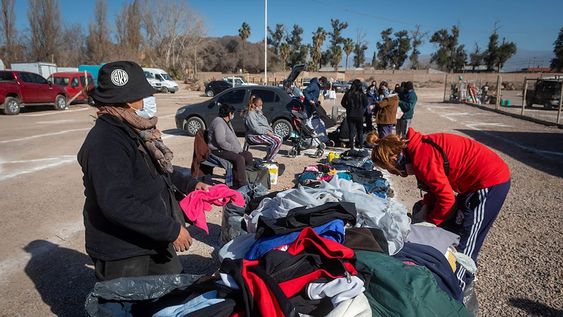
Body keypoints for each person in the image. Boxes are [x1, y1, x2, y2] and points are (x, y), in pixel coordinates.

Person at [78, 61, 209, 281]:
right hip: (123, 249)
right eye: (142, 93)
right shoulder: (107, 141)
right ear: (128, 100)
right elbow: (117, 203)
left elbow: (157, 171)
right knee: (127, 307)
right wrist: (171, 231)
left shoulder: (132, 128)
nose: (148, 98)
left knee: (174, 292)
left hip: (150, 238)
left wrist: (191, 184)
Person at [370, 128, 511, 290]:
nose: (396, 174)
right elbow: (436, 188)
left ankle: (458, 285)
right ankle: (447, 265)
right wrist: (427, 208)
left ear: (395, 158)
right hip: (473, 184)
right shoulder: (417, 149)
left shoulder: (423, 156)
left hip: (490, 181)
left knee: (468, 236)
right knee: (450, 224)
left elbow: (446, 200)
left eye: (391, 169)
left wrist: (430, 224)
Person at [208, 103, 253, 189]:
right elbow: (221, 142)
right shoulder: (219, 123)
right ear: (229, 114)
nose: (233, 115)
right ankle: (242, 185)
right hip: (218, 150)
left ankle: (249, 178)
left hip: (227, 149)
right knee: (239, 159)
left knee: (248, 155)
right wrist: (235, 150)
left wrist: (238, 149)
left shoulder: (226, 121)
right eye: (233, 113)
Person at [244, 95, 283, 162]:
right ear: (254, 105)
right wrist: (267, 132)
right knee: (277, 141)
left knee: (279, 139)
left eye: (261, 105)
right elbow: (255, 128)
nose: (261, 107)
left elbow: (264, 124)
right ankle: (269, 160)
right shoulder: (250, 114)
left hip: (262, 133)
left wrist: (270, 131)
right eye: (259, 105)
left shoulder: (258, 112)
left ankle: (268, 158)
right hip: (254, 136)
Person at [341, 79, 368, 149]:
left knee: (351, 131)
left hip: (350, 114)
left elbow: (342, 103)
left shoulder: (348, 93)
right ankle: (361, 146)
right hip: (359, 115)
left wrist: (348, 108)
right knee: (360, 131)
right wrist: (361, 109)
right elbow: (366, 103)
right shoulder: (362, 94)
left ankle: (352, 147)